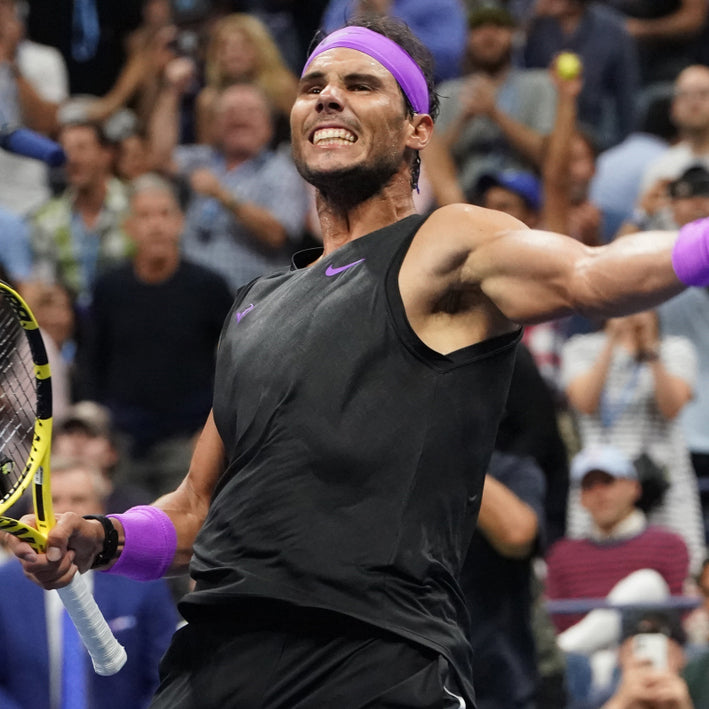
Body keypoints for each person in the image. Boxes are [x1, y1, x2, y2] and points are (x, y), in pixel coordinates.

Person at [9, 16, 709, 709]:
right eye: (312, 83)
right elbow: (196, 508)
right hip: (215, 663)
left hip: (374, 660)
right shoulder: (254, 304)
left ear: (418, 129)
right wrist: (103, 537)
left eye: (359, 83)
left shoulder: (443, 242)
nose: (327, 96)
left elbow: (592, 274)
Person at [78, 173, 233, 498]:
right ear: (128, 227)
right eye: (145, 216)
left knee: (181, 540)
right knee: (124, 540)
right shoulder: (109, 289)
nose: (156, 225)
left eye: (164, 214)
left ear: (179, 222)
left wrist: (209, 432)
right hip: (122, 441)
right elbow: (92, 359)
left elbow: (235, 365)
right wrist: (101, 428)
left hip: (188, 441)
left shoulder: (209, 288)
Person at [0, 457, 177, 709]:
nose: (61, 514)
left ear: (102, 510)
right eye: (53, 500)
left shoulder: (142, 581)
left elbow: (166, 677)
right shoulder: (4, 585)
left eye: (78, 500)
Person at [561, 310, 706, 574]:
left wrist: (651, 352)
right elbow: (583, 402)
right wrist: (611, 341)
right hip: (600, 479)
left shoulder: (676, 348)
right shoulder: (580, 347)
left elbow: (672, 407)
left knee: (678, 569)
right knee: (594, 572)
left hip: (664, 480)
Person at [545, 446, 690, 693]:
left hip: (647, 654)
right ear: (580, 498)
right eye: (589, 486)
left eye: (608, 481)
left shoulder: (669, 544)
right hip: (584, 664)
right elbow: (559, 620)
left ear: (634, 487)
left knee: (648, 583)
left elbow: (677, 619)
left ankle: (563, 649)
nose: (599, 493)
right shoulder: (561, 555)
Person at [149, 71, 310, 293]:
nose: (239, 117)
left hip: (251, 301)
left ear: (269, 125)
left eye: (250, 112)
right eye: (230, 111)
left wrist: (223, 196)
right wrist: (171, 92)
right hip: (193, 298)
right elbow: (160, 159)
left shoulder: (281, 171)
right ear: (214, 124)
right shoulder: (201, 159)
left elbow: (277, 234)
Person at [430, 1, 557, 201]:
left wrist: (494, 113)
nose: (488, 35)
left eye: (498, 27)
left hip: (526, 198)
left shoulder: (539, 84)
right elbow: (432, 163)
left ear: (514, 35)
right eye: (478, 28)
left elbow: (547, 156)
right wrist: (464, 118)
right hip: (465, 197)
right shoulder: (448, 92)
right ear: (467, 38)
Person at [460, 450, 546, 709]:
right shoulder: (390, 469)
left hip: (496, 686)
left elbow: (518, 534)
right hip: (407, 675)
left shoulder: (510, 470)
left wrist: (446, 448)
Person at [29, 120, 132, 311]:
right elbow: (45, 284)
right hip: (70, 323)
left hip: (127, 315)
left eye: (82, 148)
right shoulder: (45, 218)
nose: (72, 159)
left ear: (106, 154)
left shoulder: (135, 207)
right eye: (65, 150)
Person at [521, 0, 639, 149]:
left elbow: (626, 94)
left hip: (597, 130)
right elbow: (517, 76)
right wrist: (529, 21)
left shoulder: (612, 29)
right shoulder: (535, 27)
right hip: (544, 130)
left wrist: (624, 145)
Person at [195, 13, 299, 146]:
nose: (233, 53)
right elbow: (207, 152)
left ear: (260, 48)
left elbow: (303, 131)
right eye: (225, 47)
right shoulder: (208, 100)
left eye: (243, 45)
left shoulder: (283, 88)